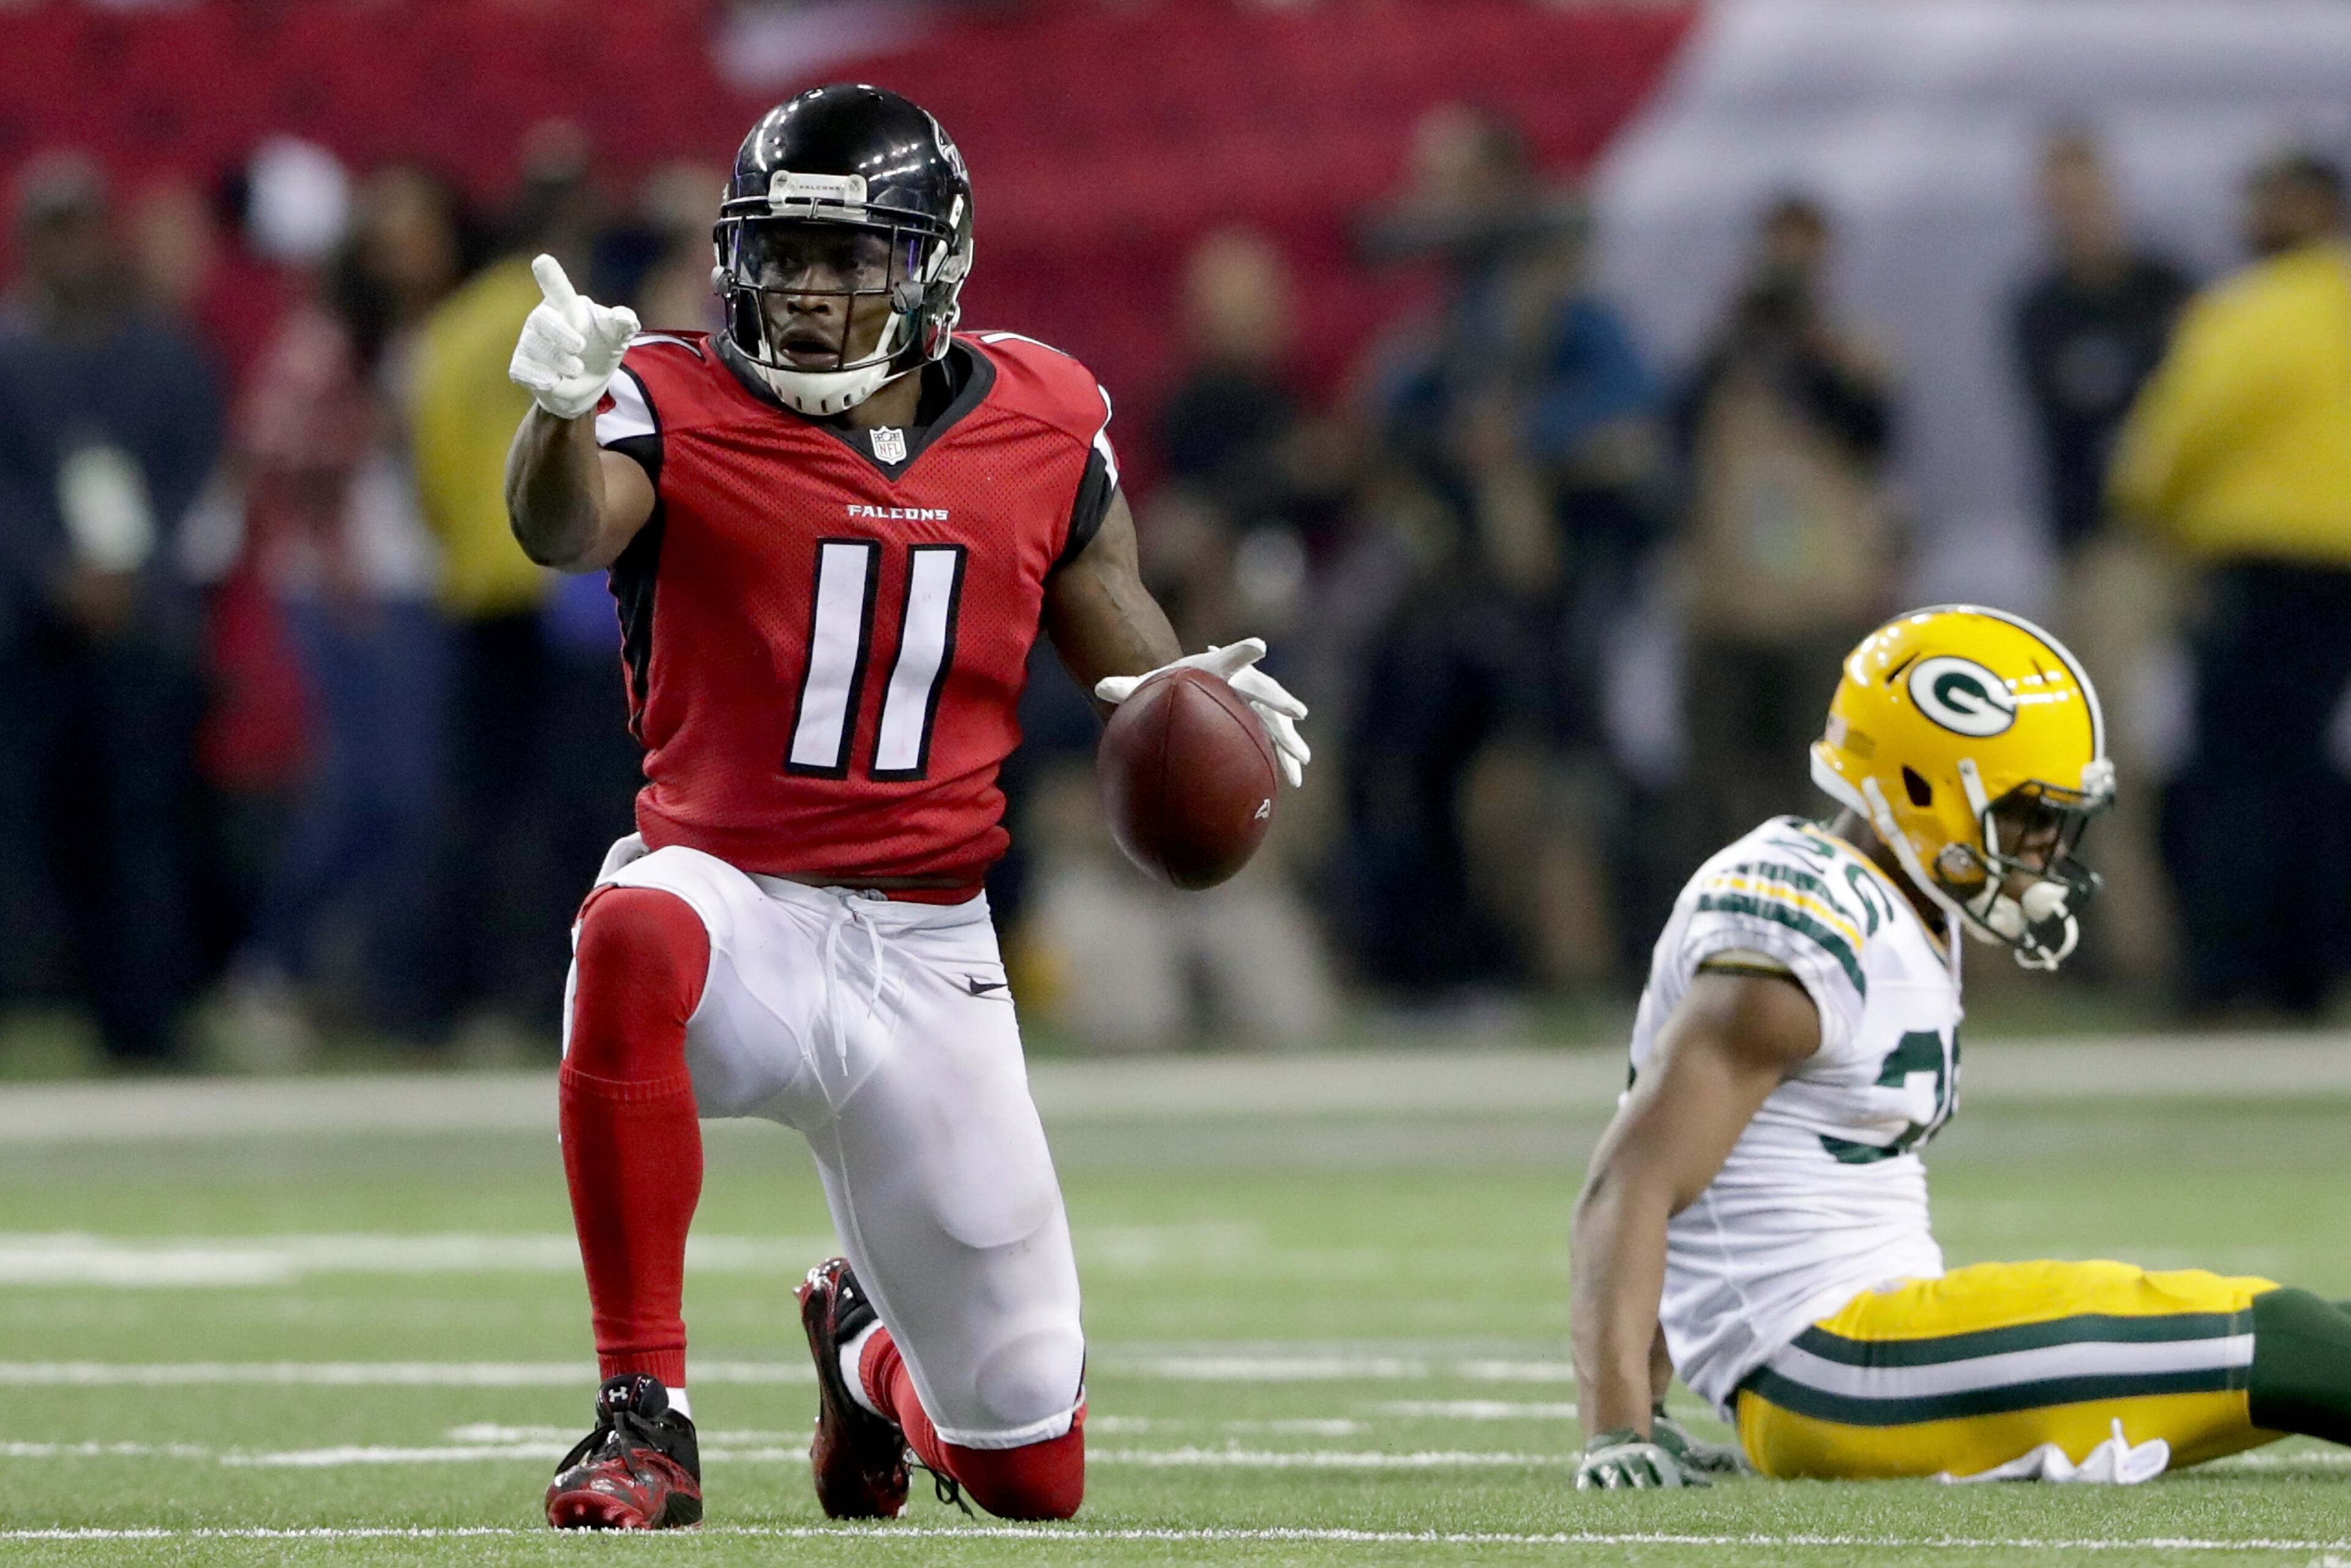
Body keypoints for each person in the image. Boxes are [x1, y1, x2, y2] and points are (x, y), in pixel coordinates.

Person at [502, 85, 1310, 1530]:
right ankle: (644, 1413)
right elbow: (567, 526)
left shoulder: (1044, 417)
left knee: (1028, 1474)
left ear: (936, 267)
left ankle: (867, 1354)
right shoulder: (672, 395)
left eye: (845, 259)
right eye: (780, 256)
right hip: (734, 910)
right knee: (627, 927)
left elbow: (1110, 616)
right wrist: (556, 420)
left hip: (932, 950)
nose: (803, 295)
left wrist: (1195, 697)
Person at [1568, 607, 2351, 1487]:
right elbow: (1634, 1180)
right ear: (1924, 785)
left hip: (1867, 1358)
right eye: (2025, 815)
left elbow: (1732, 1180)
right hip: (1839, 1365)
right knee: (2286, 1338)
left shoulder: (1898, 905)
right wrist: (1621, 1426)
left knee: (2305, 1341)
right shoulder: (1803, 929)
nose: (2048, 849)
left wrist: (1664, 1391)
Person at [221, 167, 468, 1052]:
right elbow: (267, 441)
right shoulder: (331, 337)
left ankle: (367, 979)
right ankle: (275, 963)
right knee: (372, 786)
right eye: (392, 236)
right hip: (350, 585)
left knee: (414, 795)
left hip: (430, 580)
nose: (411, 253)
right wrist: (363, 434)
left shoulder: (457, 330)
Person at [2110, 150, 2351, 1016]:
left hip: (2259, 566)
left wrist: (2153, 508)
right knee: (2310, 770)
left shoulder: (2248, 310)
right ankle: (2308, 976)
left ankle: (2224, 975)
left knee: (2235, 776)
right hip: (2339, 572)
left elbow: (2169, 445)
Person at [0, 153, 222, 1066]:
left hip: (144, 627)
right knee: (31, 820)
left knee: (145, 820)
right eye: (51, 232)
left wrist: (139, 578)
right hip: (31, 631)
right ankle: (36, 995)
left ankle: (143, 1016)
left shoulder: (166, 356)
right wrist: (51, 572)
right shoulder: (10, 355)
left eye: (80, 227)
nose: (69, 251)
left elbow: (194, 482)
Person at [1674, 193, 1894, 861]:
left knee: (1824, 785)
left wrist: (1809, 355)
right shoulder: (1723, 356)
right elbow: (1678, 433)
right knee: (1726, 781)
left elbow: (1872, 435)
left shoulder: (1848, 352)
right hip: (1730, 599)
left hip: (1821, 595)